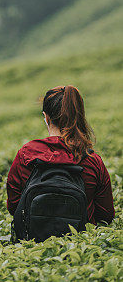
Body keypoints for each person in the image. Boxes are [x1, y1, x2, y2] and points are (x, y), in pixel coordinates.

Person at [7, 85, 115, 225]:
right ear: (78, 115)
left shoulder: (26, 155)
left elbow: (14, 207)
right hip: (81, 242)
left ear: (46, 117)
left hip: (34, 243)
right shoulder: (93, 161)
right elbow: (106, 215)